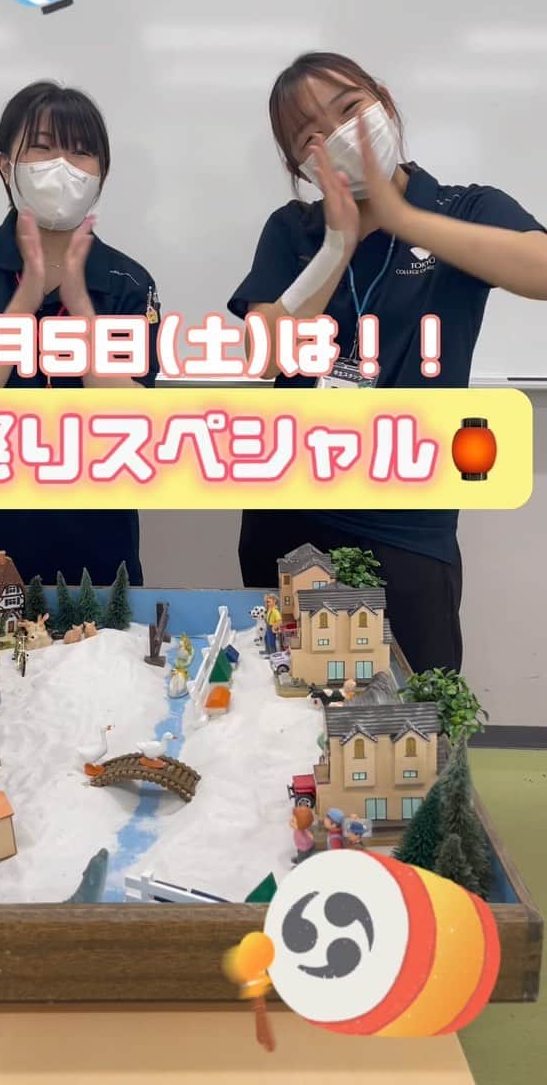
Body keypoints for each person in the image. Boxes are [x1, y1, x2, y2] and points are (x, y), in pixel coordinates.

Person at [228, 52, 547, 674]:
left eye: (350, 108)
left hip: (407, 523)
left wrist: (405, 219)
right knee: (287, 704)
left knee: (413, 707)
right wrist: (336, 248)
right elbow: (263, 356)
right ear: (299, 166)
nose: (338, 135)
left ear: (384, 102)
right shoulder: (294, 229)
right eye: (310, 137)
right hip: (290, 511)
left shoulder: (463, 208)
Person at [0, 82, 160, 591]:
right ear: (4, 164)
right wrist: (25, 298)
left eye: (81, 151)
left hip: (97, 540)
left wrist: (81, 308)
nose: (63, 166)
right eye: (42, 147)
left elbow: (133, 420)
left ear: (101, 174)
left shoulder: (129, 281)